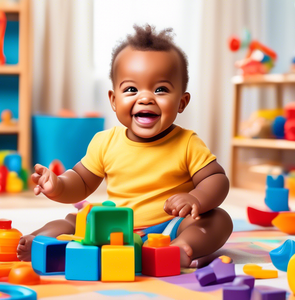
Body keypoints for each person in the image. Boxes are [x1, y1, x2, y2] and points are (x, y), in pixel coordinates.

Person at [18, 24, 233, 268]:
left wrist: (196, 198)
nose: (145, 97)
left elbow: (217, 179)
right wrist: (57, 185)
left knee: (218, 219)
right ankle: (39, 241)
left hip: (169, 228)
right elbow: (81, 182)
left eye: (160, 89)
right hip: (112, 227)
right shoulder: (104, 142)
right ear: (113, 99)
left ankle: (182, 248)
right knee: (72, 221)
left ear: (182, 102)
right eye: (131, 89)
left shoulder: (187, 143)